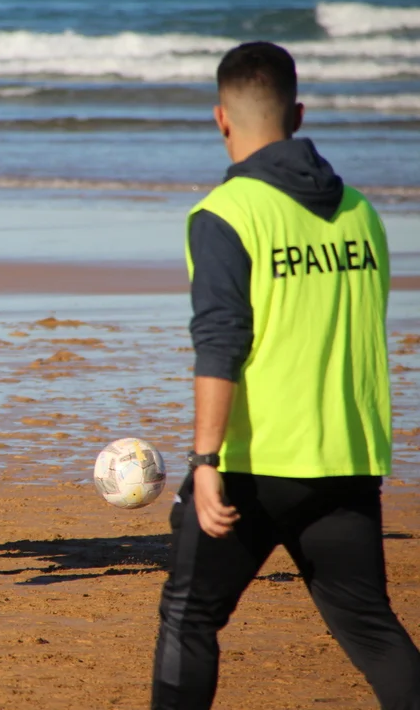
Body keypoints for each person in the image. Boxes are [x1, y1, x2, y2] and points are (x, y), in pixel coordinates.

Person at [151, 41, 420, 709]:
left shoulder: (226, 214)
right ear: (298, 115)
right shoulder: (361, 212)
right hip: (348, 460)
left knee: (188, 618)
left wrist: (205, 461)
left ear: (221, 118)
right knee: (372, 630)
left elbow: (220, 342)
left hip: (256, 462)